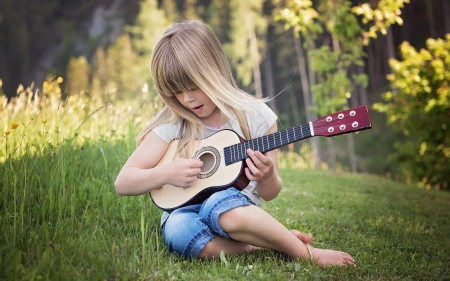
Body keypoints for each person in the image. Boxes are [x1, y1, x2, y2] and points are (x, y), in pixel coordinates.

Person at [115, 20, 356, 267]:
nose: (187, 99)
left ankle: (305, 252)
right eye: (177, 91)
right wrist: (164, 174)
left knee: (220, 205)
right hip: (183, 210)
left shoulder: (255, 116)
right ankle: (263, 243)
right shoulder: (174, 124)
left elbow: (269, 193)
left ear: (214, 71)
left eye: (193, 86)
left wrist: (267, 177)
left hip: (235, 209)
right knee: (177, 231)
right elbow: (123, 182)